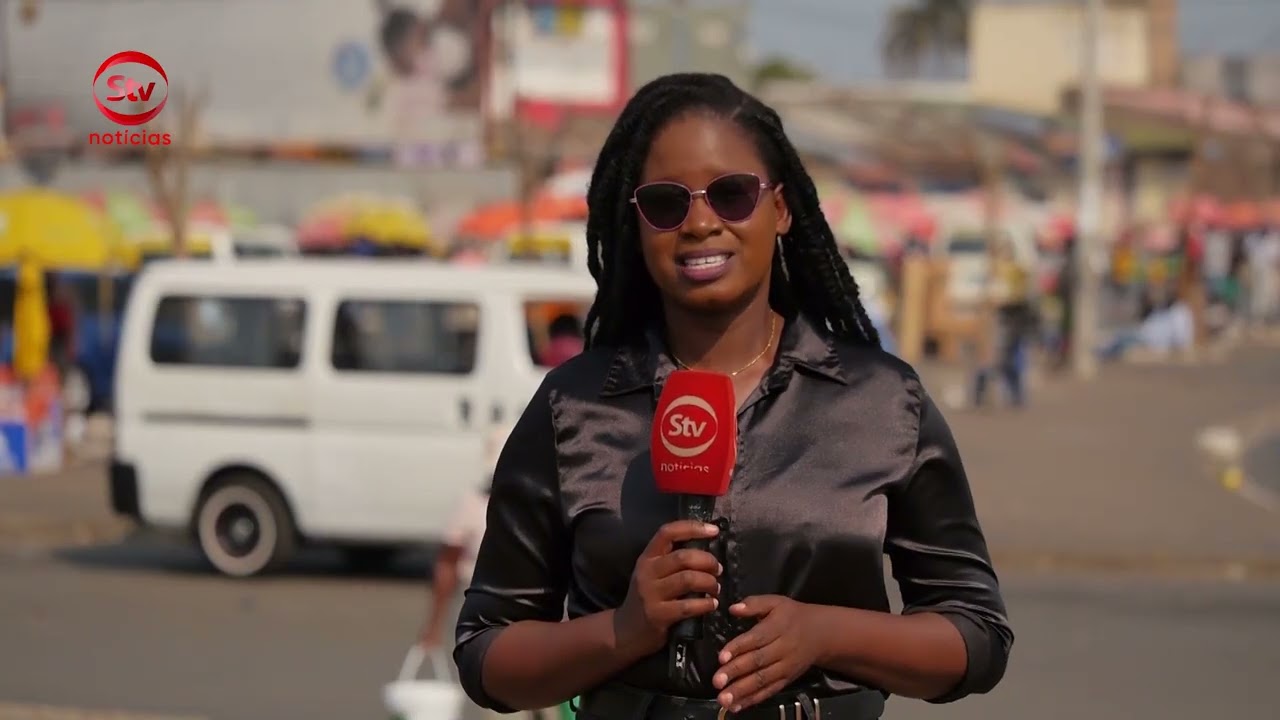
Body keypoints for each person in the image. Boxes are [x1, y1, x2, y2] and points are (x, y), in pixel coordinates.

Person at [454, 73, 1011, 720]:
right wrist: (622, 631)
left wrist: (826, 633)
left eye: (731, 194)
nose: (698, 223)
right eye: (665, 203)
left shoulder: (882, 403)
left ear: (781, 208)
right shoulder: (573, 407)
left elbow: (977, 635)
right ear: (635, 224)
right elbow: (485, 653)